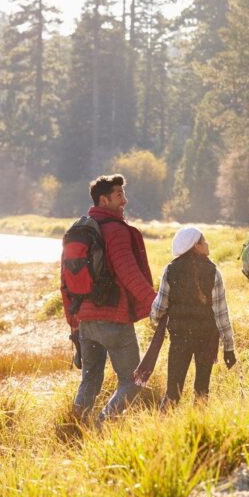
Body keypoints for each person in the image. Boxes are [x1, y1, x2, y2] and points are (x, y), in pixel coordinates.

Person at [62, 174, 156, 422]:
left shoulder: (80, 231)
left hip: (85, 321)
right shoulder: (115, 230)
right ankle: (103, 425)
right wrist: (155, 302)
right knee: (134, 380)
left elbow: (65, 282)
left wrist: (73, 320)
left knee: (90, 380)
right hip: (113, 318)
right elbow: (128, 272)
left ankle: (76, 429)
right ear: (103, 200)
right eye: (119, 195)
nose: (125, 201)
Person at [148, 226, 237, 407]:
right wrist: (229, 347)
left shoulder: (171, 270)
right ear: (195, 246)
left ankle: (164, 428)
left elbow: (159, 307)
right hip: (207, 338)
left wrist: (155, 321)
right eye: (203, 241)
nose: (207, 243)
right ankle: (198, 429)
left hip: (179, 338)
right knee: (202, 391)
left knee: (173, 392)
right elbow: (221, 315)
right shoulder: (214, 272)